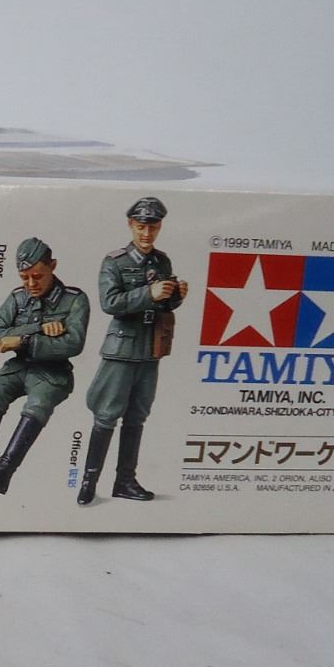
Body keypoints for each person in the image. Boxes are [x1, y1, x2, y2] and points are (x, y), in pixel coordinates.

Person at [0, 237, 89, 494]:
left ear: (53, 266)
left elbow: (73, 344)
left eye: (37, 276)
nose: (30, 284)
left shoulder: (74, 299)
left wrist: (22, 340)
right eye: (24, 277)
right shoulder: (18, 297)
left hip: (53, 372)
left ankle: (4, 470)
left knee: (37, 405)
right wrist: (37, 329)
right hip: (19, 366)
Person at [79, 197, 189, 505]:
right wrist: (149, 293)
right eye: (141, 227)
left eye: (153, 227)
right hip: (122, 348)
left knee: (137, 416)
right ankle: (89, 481)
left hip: (151, 348)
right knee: (106, 415)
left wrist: (176, 297)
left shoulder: (162, 262)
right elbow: (110, 303)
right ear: (131, 225)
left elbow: (163, 304)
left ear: (160, 227)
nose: (146, 233)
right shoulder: (115, 262)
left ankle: (125, 481)